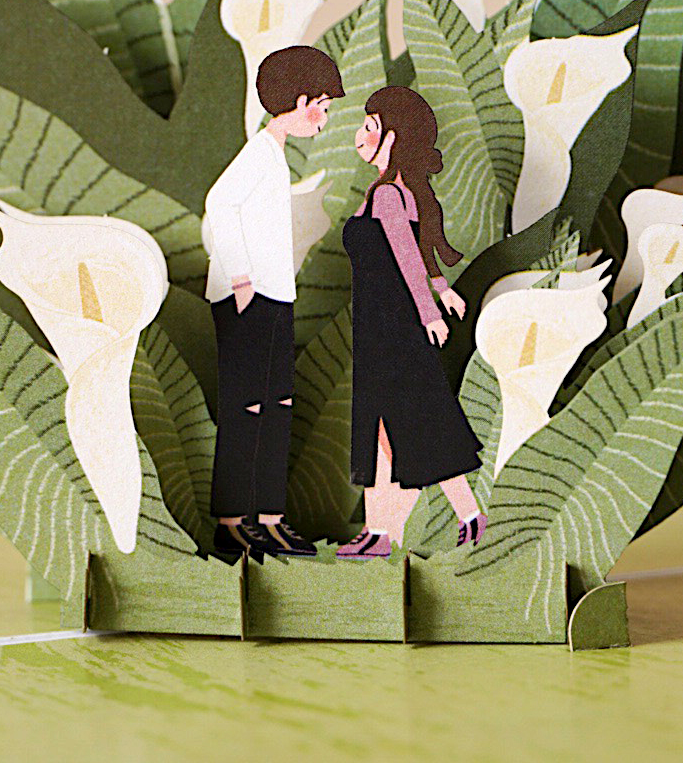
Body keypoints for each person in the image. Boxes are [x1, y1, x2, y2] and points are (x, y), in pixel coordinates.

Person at [204, 45, 344, 558]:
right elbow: (218, 204)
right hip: (250, 298)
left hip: (274, 296)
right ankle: (232, 522)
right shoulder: (259, 153)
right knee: (247, 406)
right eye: (322, 107)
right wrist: (241, 278)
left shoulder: (274, 156)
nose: (323, 119)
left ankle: (268, 517)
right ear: (301, 101)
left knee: (277, 405)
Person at [337, 85, 485, 559]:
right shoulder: (397, 192)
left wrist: (430, 312)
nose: (359, 136)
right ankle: (381, 530)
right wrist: (442, 289)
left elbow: (406, 258)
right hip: (381, 327)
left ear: (393, 137)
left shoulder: (387, 195)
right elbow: (419, 252)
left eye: (369, 127)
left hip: (392, 329)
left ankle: (458, 518)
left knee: (411, 424)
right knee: (391, 428)